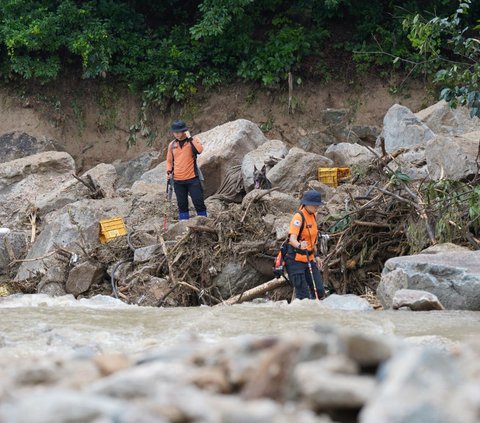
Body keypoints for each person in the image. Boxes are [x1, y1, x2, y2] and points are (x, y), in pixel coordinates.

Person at [285, 190, 325, 300]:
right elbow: (292, 239)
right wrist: (299, 245)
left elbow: (313, 239)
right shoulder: (298, 217)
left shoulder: (313, 216)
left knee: (319, 291)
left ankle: (312, 310)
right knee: (303, 296)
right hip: (296, 260)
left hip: (309, 259)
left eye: (318, 205)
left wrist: (316, 256)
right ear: (306, 203)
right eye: (314, 205)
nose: (317, 207)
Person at [166, 120, 207, 220]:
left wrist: (190, 138)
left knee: (198, 202)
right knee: (182, 204)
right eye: (174, 132)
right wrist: (168, 172)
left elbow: (199, 150)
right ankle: (184, 225)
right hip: (178, 180)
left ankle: (204, 222)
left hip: (193, 178)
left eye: (178, 132)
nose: (175, 134)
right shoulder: (172, 145)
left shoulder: (193, 141)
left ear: (184, 131)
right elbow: (169, 161)